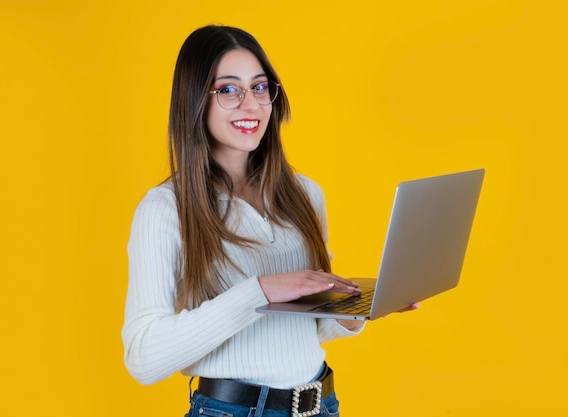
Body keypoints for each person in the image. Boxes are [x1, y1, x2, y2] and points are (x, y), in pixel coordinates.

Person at [122, 24, 417, 417]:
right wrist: (258, 291)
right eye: (228, 90)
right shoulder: (165, 210)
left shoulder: (304, 194)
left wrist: (354, 309)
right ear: (195, 101)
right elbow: (143, 356)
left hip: (320, 405)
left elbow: (307, 328)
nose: (252, 104)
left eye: (260, 87)